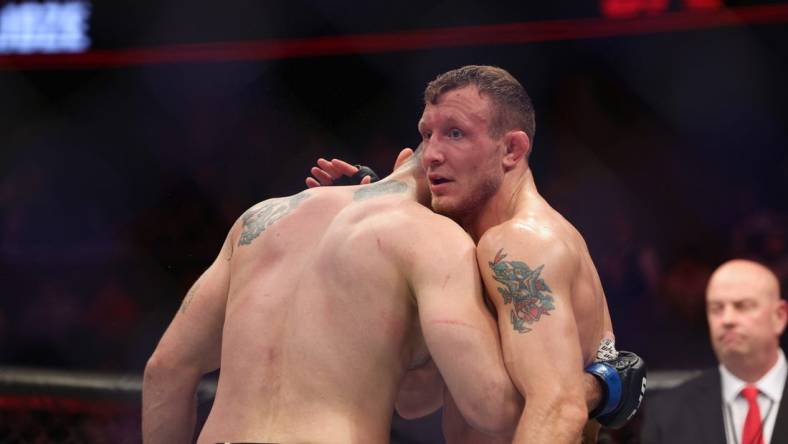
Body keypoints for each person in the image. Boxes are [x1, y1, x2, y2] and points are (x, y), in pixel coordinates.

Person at [308, 65, 644, 443]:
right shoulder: (463, 251)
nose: (431, 154)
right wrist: (376, 212)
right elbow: (414, 399)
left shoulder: (522, 243)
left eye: (455, 133)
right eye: (427, 134)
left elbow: (559, 407)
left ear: (512, 149)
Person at [142, 147, 537, 443]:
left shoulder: (261, 218)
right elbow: (489, 405)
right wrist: (577, 387)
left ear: (402, 160)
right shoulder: (435, 238)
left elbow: (165, 370)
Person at [641, 259, 788, 444]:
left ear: (779, 317)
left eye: (743, 306)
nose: (727, 319)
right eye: (716, 309)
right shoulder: (667, 413)